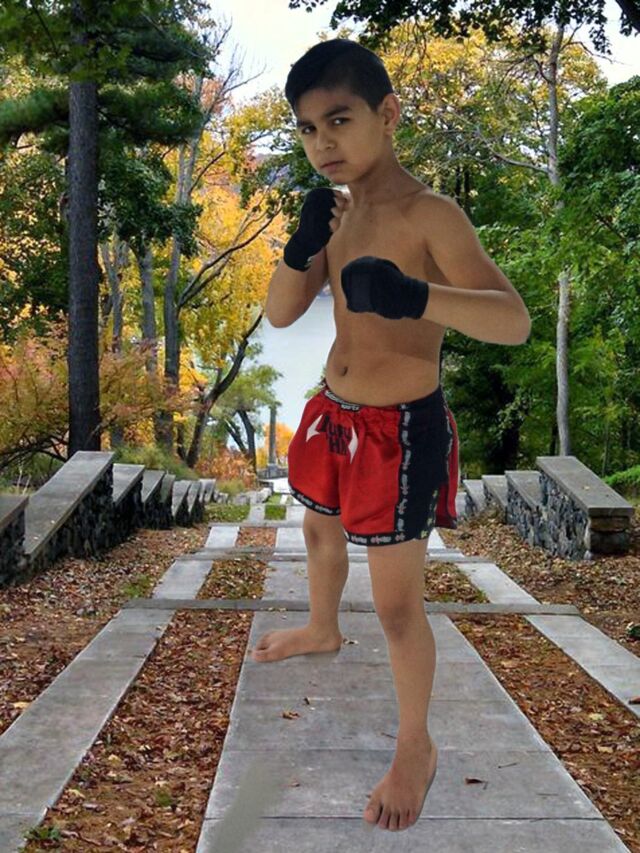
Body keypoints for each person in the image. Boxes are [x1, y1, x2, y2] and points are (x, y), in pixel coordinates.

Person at [250, 38, 531, 833]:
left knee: (398, 604)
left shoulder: (430, 215)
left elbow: (512, 320)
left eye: (339, 120)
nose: (324, 143)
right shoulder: (337, 211)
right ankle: (321, 625)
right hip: (332, 410)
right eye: (309, 129)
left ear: (389, 114)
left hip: (400, 429)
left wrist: (417, 296)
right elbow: (280, 313)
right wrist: (301, 247)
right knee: (317, 530)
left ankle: (417, 745)